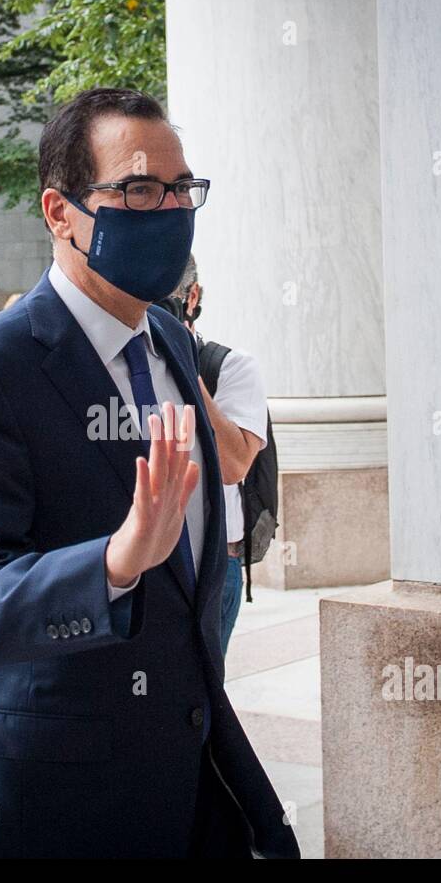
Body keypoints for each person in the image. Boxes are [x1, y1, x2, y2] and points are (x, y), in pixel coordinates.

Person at [0, 87, 299, 859]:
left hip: (189, 778)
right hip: (49, 804)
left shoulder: (170, 340)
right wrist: (114, 564)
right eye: (140, 189)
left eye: (182, 190)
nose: (169, 210)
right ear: (61, 213)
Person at [159, 258, 267, 657]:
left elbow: (233, 464)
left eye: (164, 301)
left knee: (197, 698)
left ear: (193, 297)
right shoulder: (120, 364)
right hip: (142, 562)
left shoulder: (230, 367)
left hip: (213, 566)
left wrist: (182, 366)